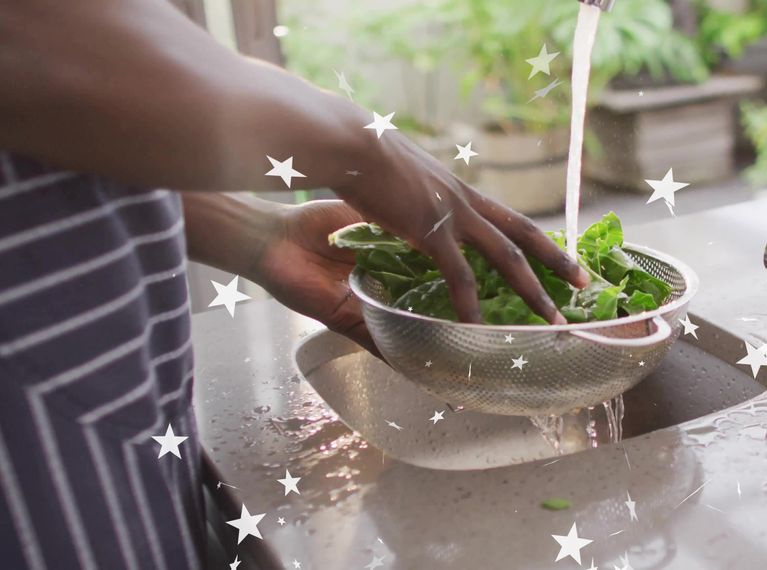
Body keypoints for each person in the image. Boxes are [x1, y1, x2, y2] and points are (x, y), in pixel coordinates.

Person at [0, 1, 589, 568]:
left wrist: (261, 236)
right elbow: (44, 41)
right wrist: (366, 149)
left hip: (95, 399)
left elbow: (61, 128)